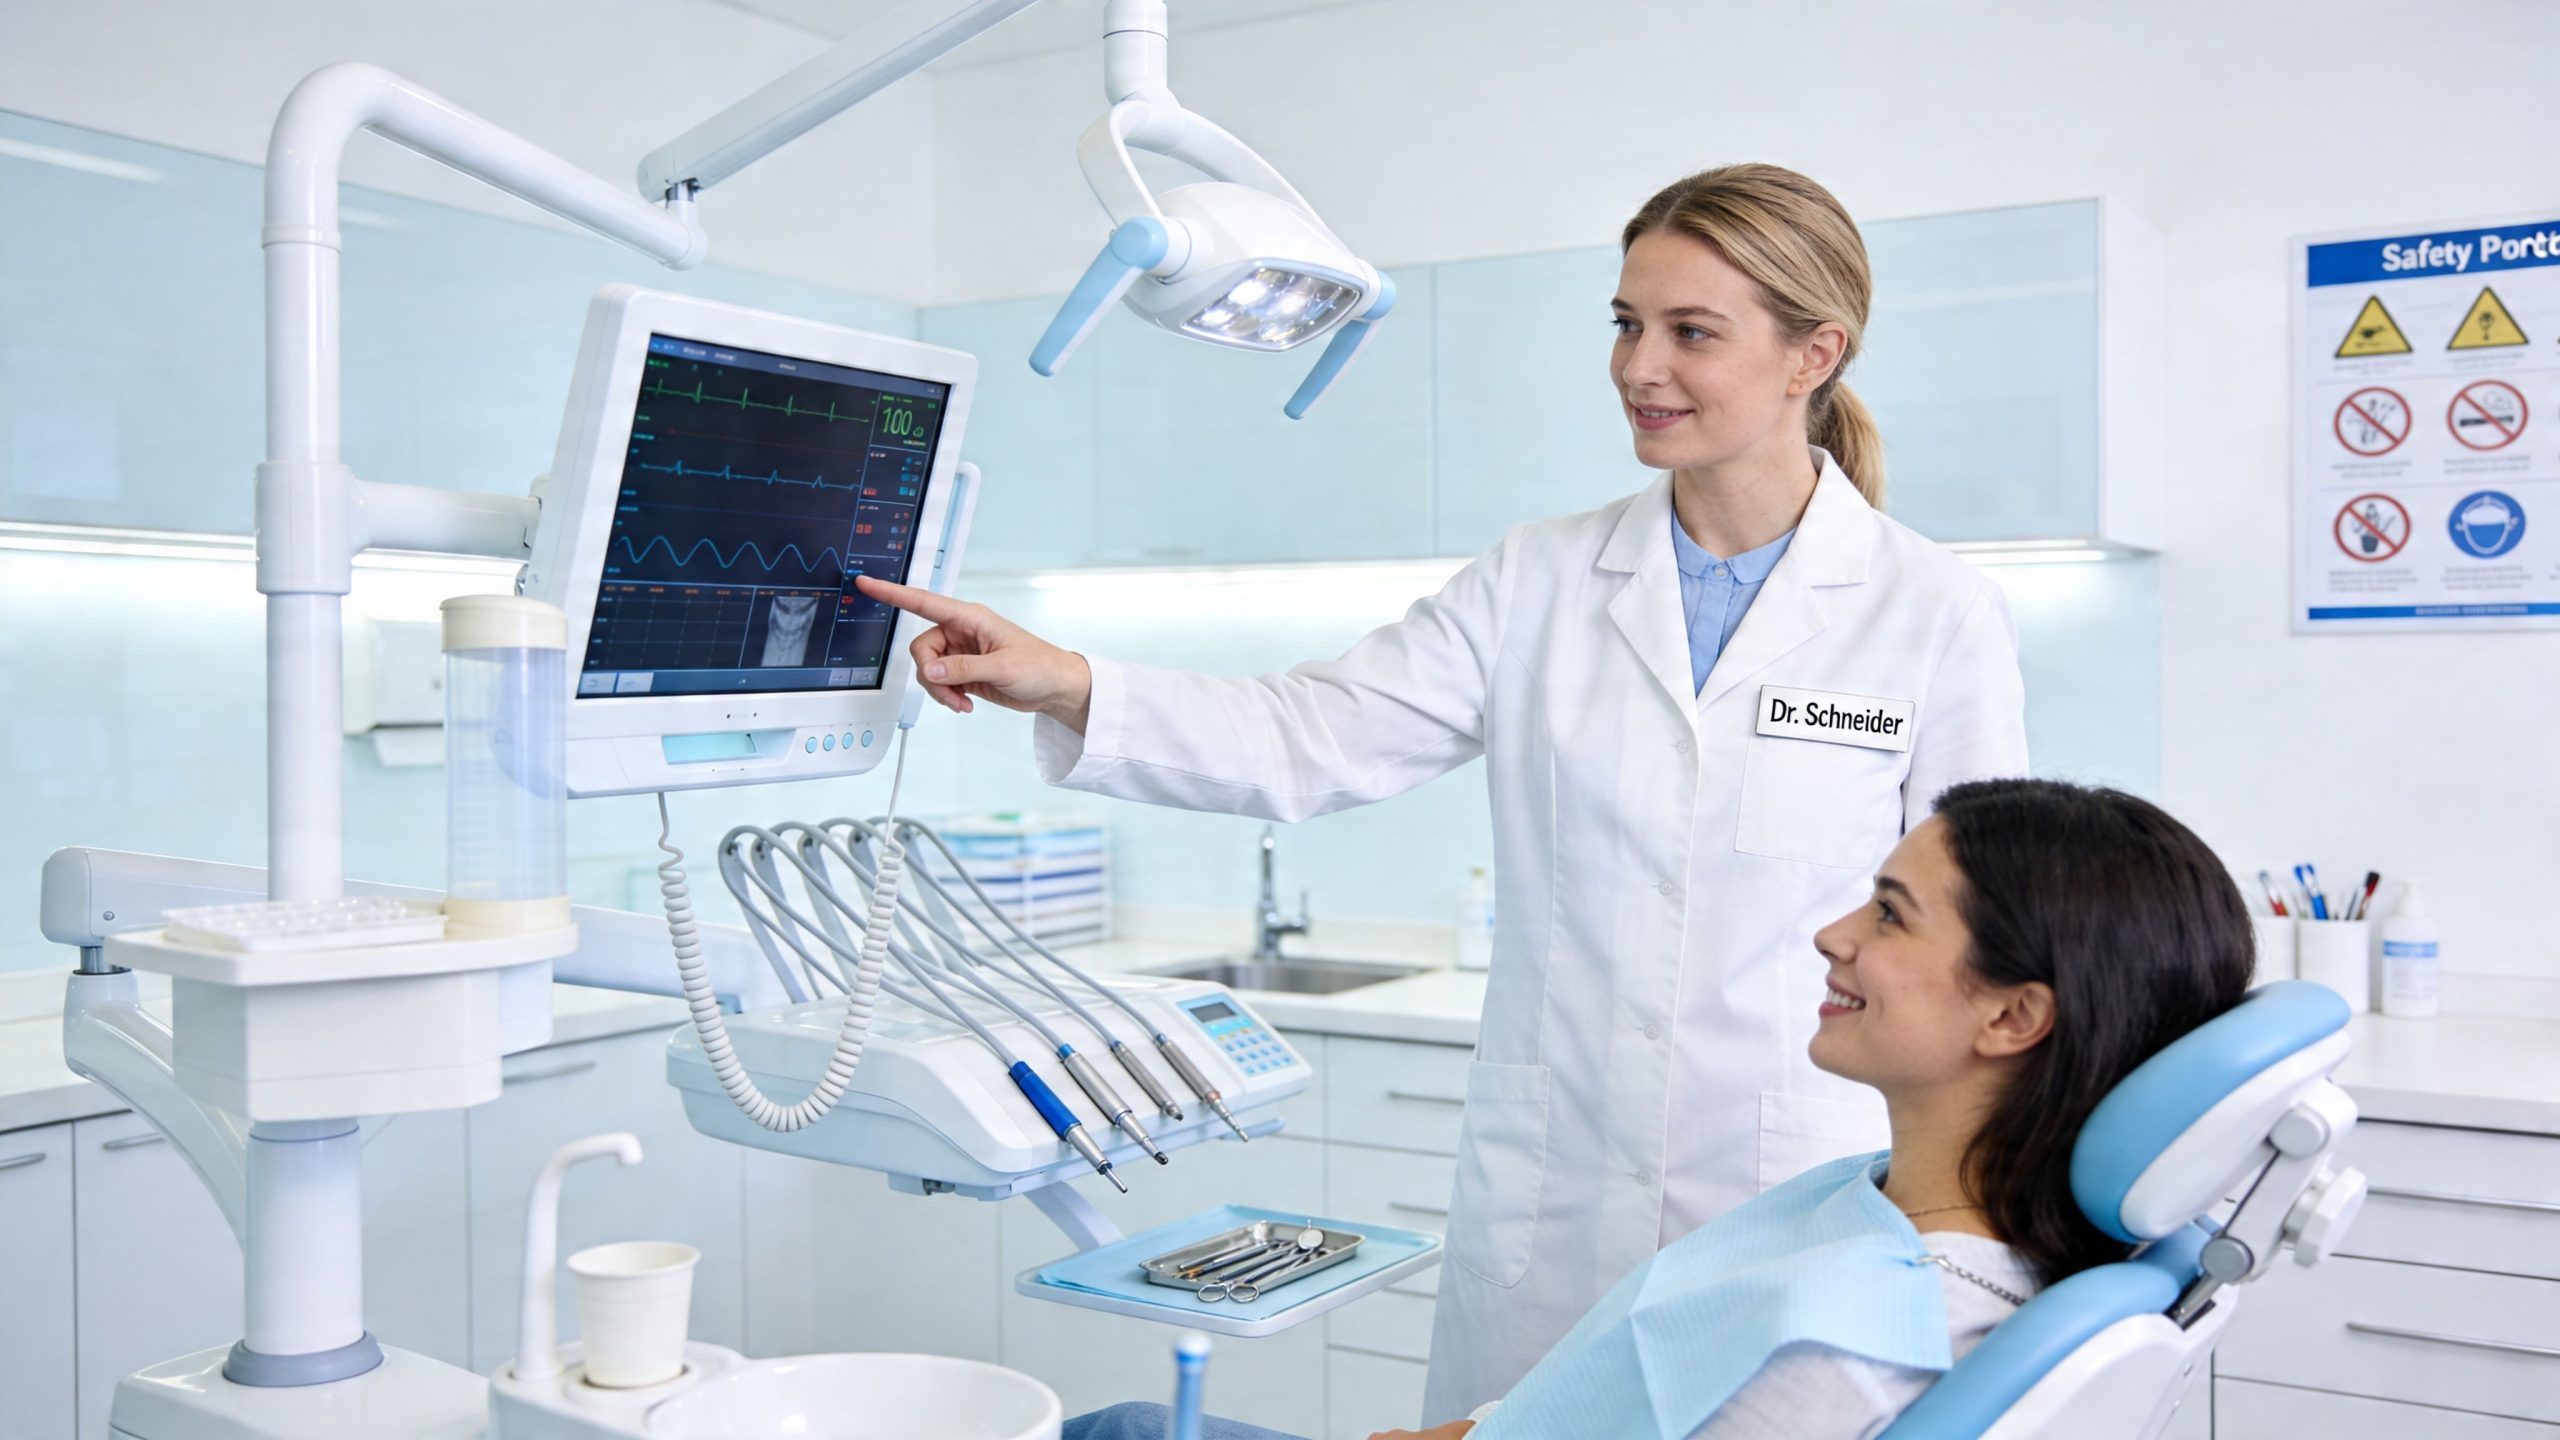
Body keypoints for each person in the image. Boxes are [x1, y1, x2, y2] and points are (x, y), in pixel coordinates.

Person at [858, 162, 2029, 1419]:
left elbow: (1980, 941)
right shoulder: (1538, 579)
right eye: (1627, 324)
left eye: (1692, 333)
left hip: (1793, 1197)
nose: (1641, 367)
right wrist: (1068, 679)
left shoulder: (1928, 614)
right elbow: (1310, 738)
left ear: (1814, 354)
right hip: (1554, 1200)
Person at [1056, 778, 2257, 1439]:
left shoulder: (1850, 1335)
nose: (1832, 934)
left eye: (1889, 915)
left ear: (2012, 1017)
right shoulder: (1912, 1224)